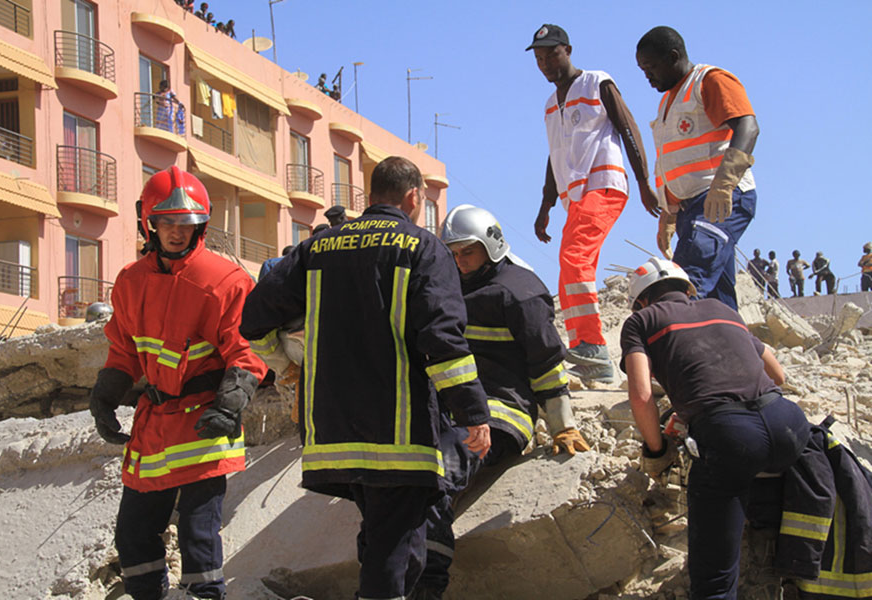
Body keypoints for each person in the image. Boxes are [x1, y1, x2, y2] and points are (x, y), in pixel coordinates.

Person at [239, 156, 491, 600]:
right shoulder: (423, 248)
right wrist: (472, 412)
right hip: (398, 433)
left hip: (331, 432)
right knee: (398, 549)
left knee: (381, 536)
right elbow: (442, 341)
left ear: (370, 197)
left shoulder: (318, 248)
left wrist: (284, 365)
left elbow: (253, 320)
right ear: (414, 198)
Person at [88, 166, 267, 600]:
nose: (175, 232)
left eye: (185, 223)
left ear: (200, 224)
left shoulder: (225, 280)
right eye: (166, 222)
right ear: (149, 223)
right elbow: (124, 349)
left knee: (198, 535)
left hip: (205, 423)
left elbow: (248, 350)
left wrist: (229, 404)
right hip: (155, 424)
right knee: (132, 535)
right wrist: (107, 395)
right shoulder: (131, 282)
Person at [412, 205, 590, 599]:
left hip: (499, 415)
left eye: (467, 253)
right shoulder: (449, 288)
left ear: (491, 246)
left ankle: (428, 587)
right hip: (451, 411)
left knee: (434, 479)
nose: (459, 262)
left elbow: (545, 364)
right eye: (453, 254)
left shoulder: (519, 293)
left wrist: (563, 425)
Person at [620, 257, 810, 600]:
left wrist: (657, 449)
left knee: (714, 581)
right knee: (763, 461)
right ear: (688, 290)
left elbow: (641, 394)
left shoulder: (641, 322)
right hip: (789, 424)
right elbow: (778, 377)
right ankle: (766, 539)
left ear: (641, 301)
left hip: (731, 437)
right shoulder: (723, 309)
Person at [527, 23, 660, 384]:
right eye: (539, 58)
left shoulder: (596, 82)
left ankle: (593, 347)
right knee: (570, 265)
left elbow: (628, 126)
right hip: (576, 197)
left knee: (574, 259)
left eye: (551, 55)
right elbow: (554, 155)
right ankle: (589, 356)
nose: (545, 64)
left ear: (568, 50)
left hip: (604, 184)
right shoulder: (550, 106)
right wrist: (546, 206)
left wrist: (645, 182)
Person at [636, 26, 759, 312]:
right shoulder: (668, 100)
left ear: (674, 56)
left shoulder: (709, 81)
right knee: (717, 303)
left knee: (681, 287)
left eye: (651, 67)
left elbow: (748, 127)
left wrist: (724, 184)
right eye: (643, 70)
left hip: (718, 199)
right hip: (691, 207)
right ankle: (735, 353)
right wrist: (669, 213)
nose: (647, 76)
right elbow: (675, 160)